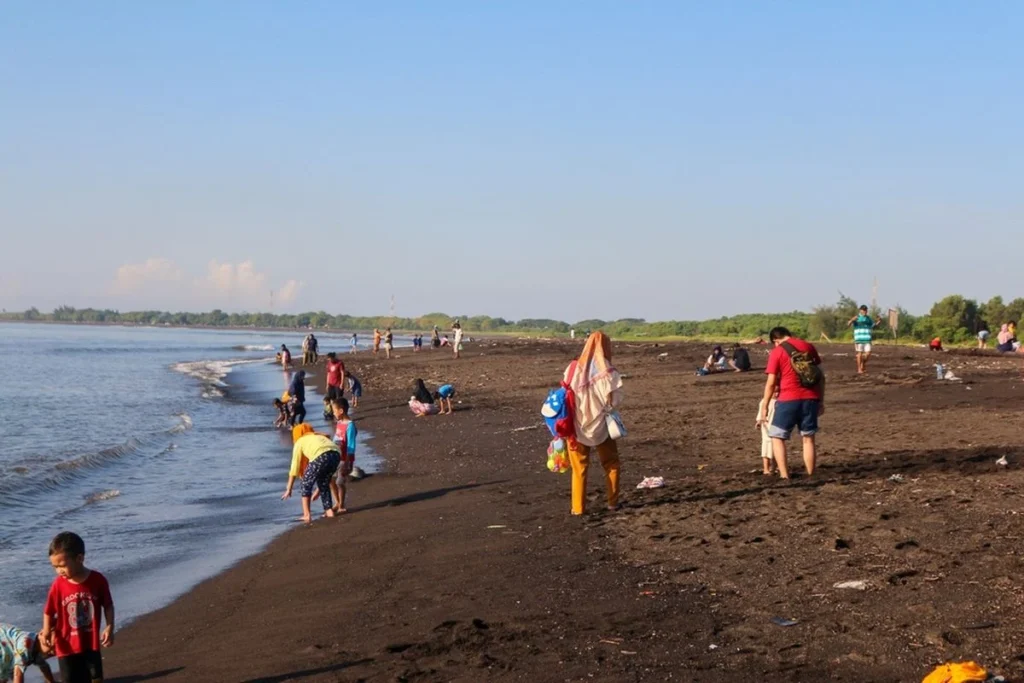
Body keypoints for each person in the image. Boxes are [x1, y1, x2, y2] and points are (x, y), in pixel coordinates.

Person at [41, 532, 114, 683]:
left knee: (95, 678)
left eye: (62, 566)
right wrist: (46, 632)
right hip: (66, 645)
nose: (59, 571)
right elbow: (48, 611)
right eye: (55, 567)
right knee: (69, 679)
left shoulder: (97, 580)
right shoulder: (58, 585)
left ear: (79, 559)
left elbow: (108, 605)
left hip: (90, 642)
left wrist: (109, 627)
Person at [564, 331, 623, 516]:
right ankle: (613, 503)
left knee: (579, 468)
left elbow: (566, 392)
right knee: (611, 463)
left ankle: (578, 508)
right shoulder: (609, 372)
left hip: (576, 425)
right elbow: (615, 401)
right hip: (602, 427)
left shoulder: (572, 368)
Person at [756, 327, 824, 479]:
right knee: (808, 438)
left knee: (777, 437)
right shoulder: (808, 346)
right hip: (810, 397)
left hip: (788, 398)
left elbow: (771, 382)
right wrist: (821, 400)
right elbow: (821, 376)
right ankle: (811, 474)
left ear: (776, 340)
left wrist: (765, 406)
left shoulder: (777, 351)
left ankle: (784, 475)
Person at [283, 424, 341, 523]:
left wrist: (289, 488)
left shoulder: (300, 442)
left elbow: (294, 466)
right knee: (324, 483)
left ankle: (306, 515)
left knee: (306, 482)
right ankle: (329, 511)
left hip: (320, 455)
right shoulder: (317, 436)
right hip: (336, 454)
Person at [330, 398, 358, 512]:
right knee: (330, 480)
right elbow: (336, 438)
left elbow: (351, 445)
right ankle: (336, 502)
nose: (333, 413)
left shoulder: (350, 426)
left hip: (345, 459)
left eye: (334, 410)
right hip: (335, 457)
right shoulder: (339, 423)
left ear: (341, 411)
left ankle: (341, 505)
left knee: (340, 482)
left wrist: (348, 462)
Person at [848, 305, 882, 374]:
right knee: (859, 353)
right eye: (863, 310)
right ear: (860, 310)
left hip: (867, 338)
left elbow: (873, 325)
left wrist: (879, 321)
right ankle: (859, 369)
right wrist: (852, 320)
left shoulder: (868, 318)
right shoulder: (856, 318)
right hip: (859, 339)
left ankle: (862, 364)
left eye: (866, 310)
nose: (865, 311)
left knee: (868, 353)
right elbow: (848, 324)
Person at [757, 391, 777, 476]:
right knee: (765, 450)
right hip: (766, 429)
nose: (776, 394)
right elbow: (760, 414)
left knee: (776, 450)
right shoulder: (764, 401)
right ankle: (766, 468)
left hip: (776, 429)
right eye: (775, 392)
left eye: (779, 391)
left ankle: (774, 468)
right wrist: (758, 422)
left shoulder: (779, 402)